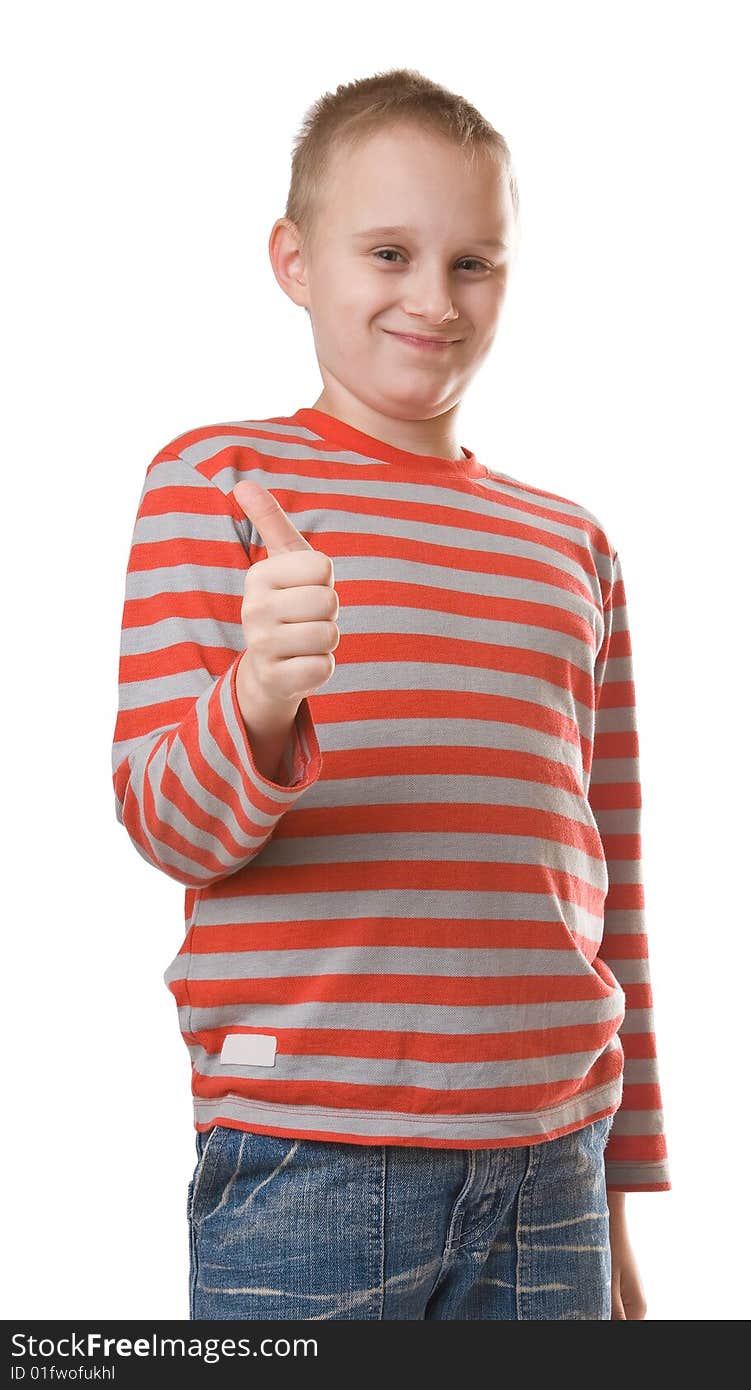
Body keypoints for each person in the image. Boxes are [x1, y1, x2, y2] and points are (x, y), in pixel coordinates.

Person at [110, 66, 671, 1322]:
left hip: (551, 1171)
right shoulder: (217, 481)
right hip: (309, 1158)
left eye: (474, 261)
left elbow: (607, 889)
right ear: (295, 260)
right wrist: (258, 697)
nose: (434, 298)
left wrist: (616, 1202)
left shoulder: (570, 545)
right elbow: (164, 823)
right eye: (388, 252)